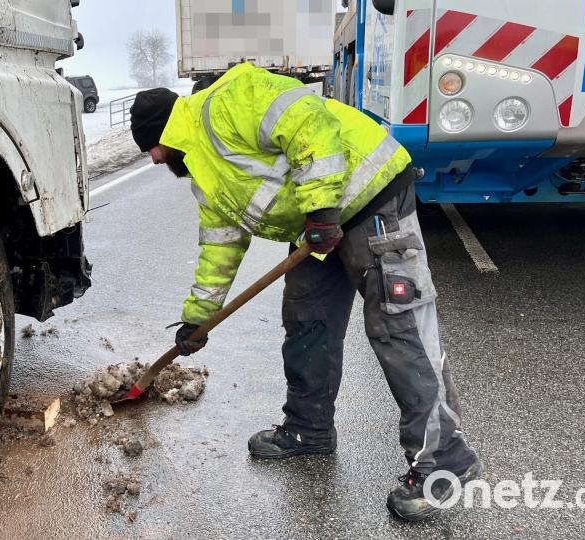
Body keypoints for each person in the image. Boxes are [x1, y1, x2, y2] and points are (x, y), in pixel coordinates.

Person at [128, 63, 482, 522]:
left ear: (164, 131)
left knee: (398, 328)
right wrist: (199, 316)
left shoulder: (230, 99)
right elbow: (220, 243)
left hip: (367, 196)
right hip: (320, 227)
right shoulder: (202, 169)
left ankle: (445, 462)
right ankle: (309, 428)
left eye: (151, 148)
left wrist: (319, 210)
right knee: (306, 317)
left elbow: (309, 122)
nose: (154, 159)